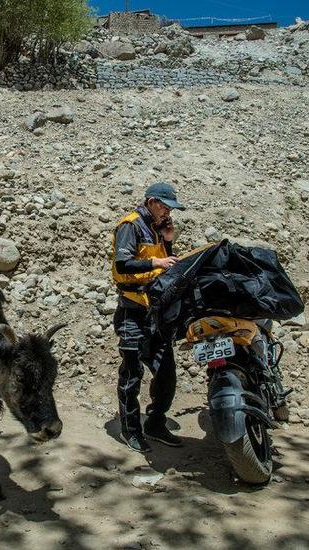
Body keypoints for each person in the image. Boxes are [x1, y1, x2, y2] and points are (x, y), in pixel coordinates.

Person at [111, 182, 186, 453]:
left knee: (166, 374)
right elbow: (123, 264)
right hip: (132, 310)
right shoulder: (130, 225)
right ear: (152, 201)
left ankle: (155, 423)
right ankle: (131, 430)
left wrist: (167, 242)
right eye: (164, 206)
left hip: (156, 312)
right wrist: (157, 263)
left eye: (170, 209)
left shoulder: (156, 229)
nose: (167, 212)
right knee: (132, 374)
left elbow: (166, 269)